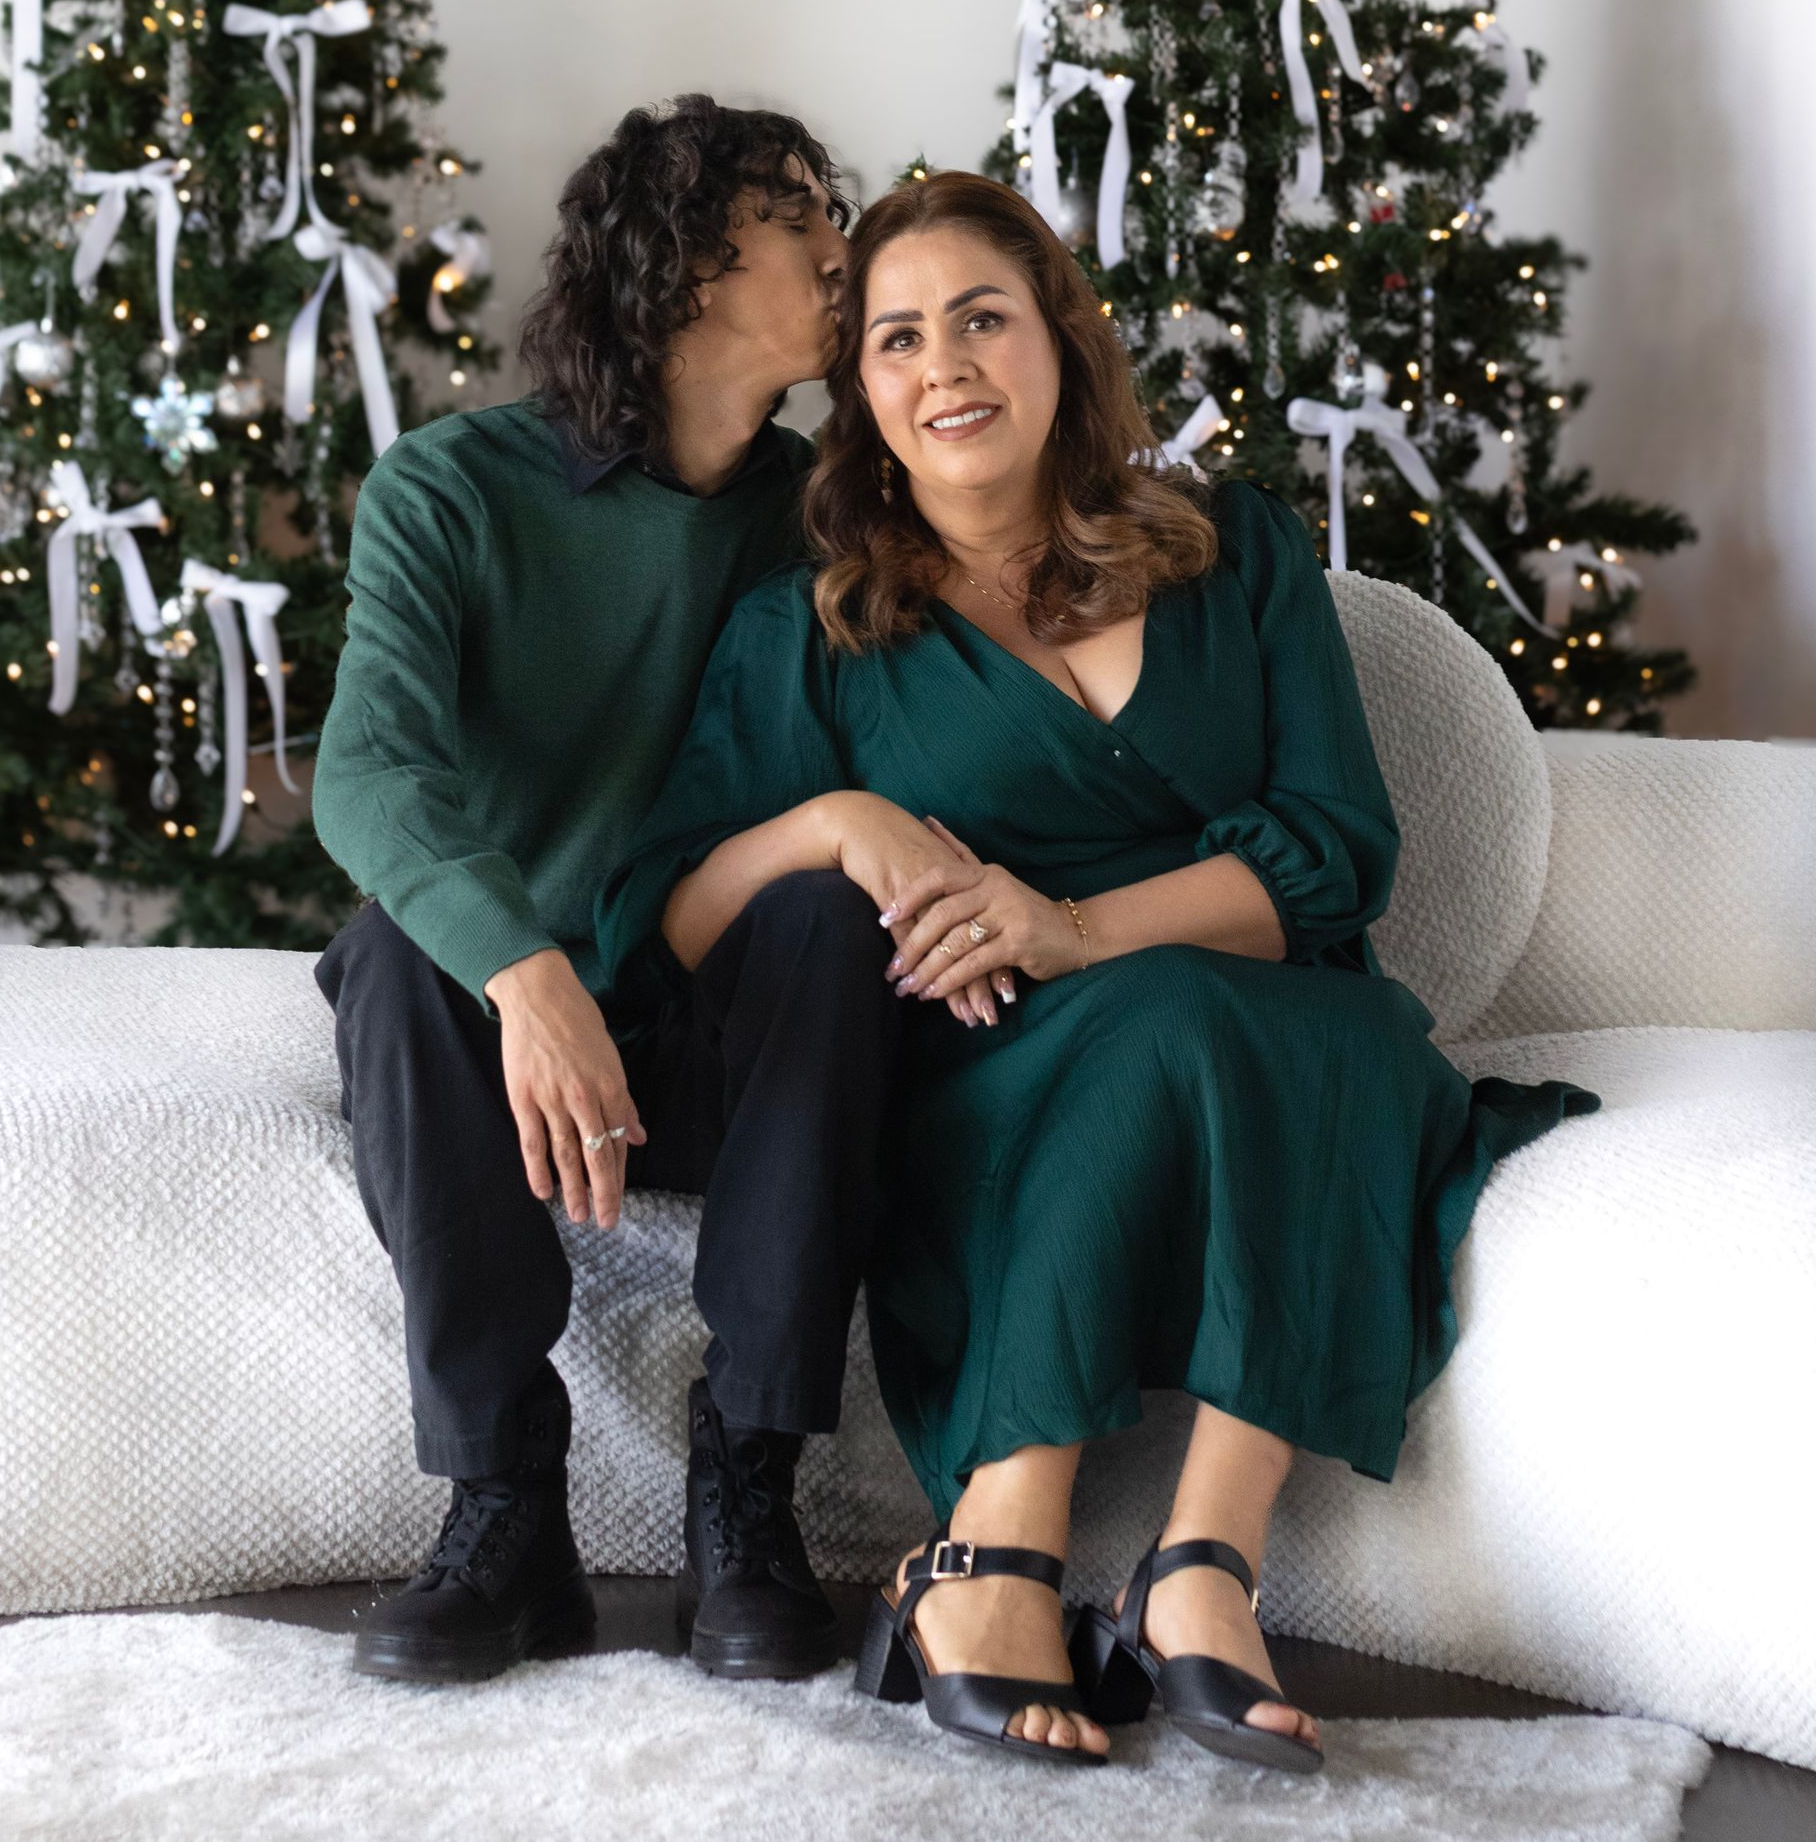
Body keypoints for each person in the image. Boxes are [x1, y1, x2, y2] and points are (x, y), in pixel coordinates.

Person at [599, 168, 1597, 1774]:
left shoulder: (1233, 551)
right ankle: (1006, 1544)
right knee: (1261, 1027)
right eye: (899, 340)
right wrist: (839, 821)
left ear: (1061, 339)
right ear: (860, 392)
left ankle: (1201, 1565)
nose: (946, 368)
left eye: (983, 319)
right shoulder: (814, 628)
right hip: (982, 1075)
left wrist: (1082, 926)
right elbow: (676, 916)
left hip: (1242, 1021)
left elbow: (1341, 850)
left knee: (1341, 1033)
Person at [311, 94, 904, 1690]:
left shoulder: (835, 516)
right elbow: (364, 776)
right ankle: (504, 1506)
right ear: (693, 265)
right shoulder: (450, 491)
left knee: (830, 917)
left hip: (726, 1028)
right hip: (513, 1048)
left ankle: (749, 1474)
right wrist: (527, 971)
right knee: (394, 951)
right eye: (806, 220)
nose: (847, 254)